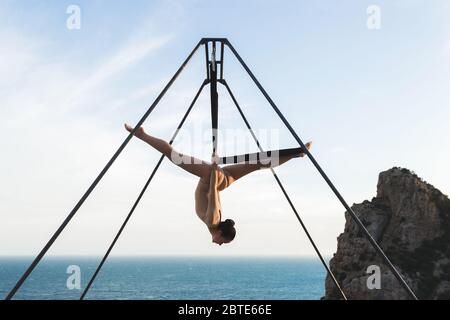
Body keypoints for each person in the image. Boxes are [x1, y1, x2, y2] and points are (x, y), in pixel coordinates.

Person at [125, 124, 312, 246]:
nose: (218, 244)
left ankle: (297, 154)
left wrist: (217, 174)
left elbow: (215, 194)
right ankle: (141, 134)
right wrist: (214, 168)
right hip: (211, 178)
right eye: (222, 241)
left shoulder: (214, 223)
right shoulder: (212, 221)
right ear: (220, 233)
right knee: (173, 155)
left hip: (224, 180)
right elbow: (213, 193)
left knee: (258, 163)